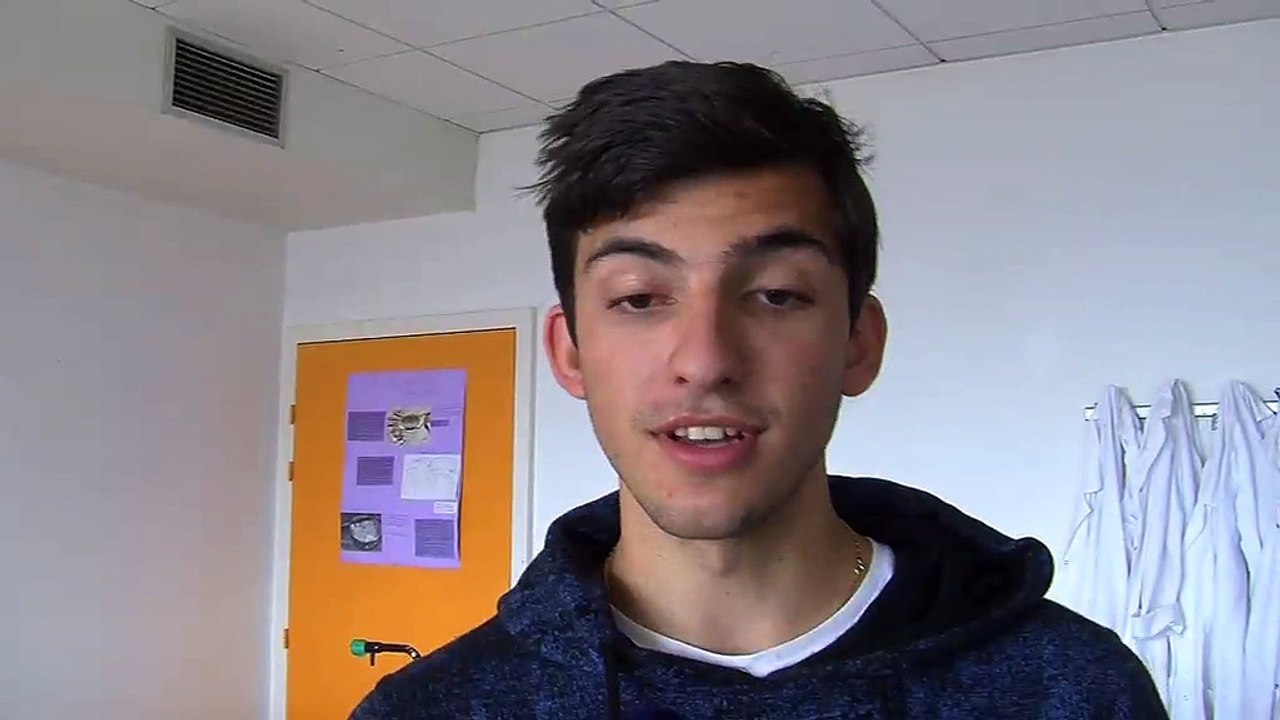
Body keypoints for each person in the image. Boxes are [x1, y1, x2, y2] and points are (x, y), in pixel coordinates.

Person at [350, 60, 1167, 719]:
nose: (705, 360)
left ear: (858, 342)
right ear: (570, 355)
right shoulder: (434, 708)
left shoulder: (1074, 690)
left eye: (776, 294)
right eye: (639, 298)